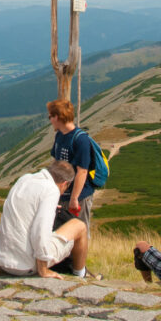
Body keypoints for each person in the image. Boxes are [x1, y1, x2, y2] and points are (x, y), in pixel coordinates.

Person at [0, 160, 89, 279]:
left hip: (1, 260)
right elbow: (40, 230)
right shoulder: (51, 190)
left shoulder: (24, 179)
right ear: (64, 183)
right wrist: (43, 269)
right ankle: (80, 275)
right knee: (79, 226)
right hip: (24, 266)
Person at [47, 99, 96, 234]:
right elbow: (56, 163)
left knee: (79, 232)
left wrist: (74, 199)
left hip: (79, 196)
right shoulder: (59, 135)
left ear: (57, 117)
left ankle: (80, 255)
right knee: (60, 232)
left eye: (50, 116)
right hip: (62, 194)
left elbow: (82, 171)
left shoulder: (81, 139)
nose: (50, 120)